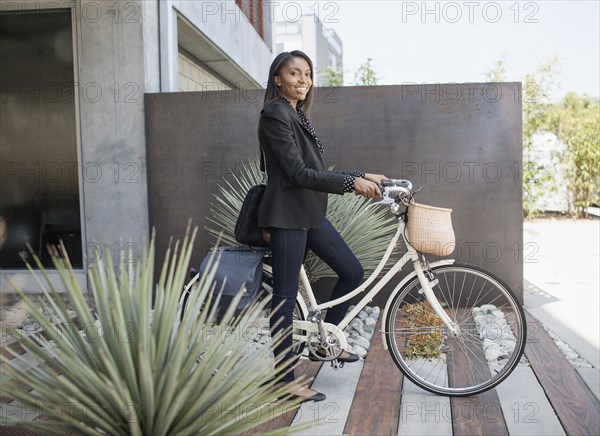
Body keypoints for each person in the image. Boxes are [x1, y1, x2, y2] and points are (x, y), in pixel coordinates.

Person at [257, 50, 387, 402]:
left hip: (309, 214)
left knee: (351, 271)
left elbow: (316, 170)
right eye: (294, 73)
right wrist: (351, 184)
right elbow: (298, 174)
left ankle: (321, 343)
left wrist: (360, 175)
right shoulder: (275, 113)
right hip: (286, 218)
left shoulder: (296, 114)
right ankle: (284, 381)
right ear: (278, 79)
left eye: (308, 74)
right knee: (284, 299)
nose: (303, 80)